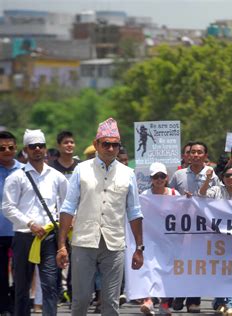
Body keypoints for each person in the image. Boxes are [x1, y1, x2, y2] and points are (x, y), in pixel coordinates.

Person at [56, 118, 144, 316]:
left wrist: (139, 248)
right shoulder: (81, 169)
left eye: (115, 145)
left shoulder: (128, 174)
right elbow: (68, 208)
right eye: (106, 144)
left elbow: (135, 212)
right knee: (81, 299)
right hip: (84, 241)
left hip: (114, 243)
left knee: (111, 302)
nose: (111, 148)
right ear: (96, 144)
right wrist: (62, 245)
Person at [2, 129, 69, 316]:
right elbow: (8, 207)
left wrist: (60, 228)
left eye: (41, 145)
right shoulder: (16, 177)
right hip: (24, 237)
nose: (37, 149)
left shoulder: (56, 177)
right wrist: (30, 223)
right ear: (26, 150)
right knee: (21, 287)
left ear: (46, 149)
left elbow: (67, 205)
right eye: (33, 146)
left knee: (50, 286)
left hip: (48, 238)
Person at [168, 141, 219, 313]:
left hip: (203, 227)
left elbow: (218, 201)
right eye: (193, 152)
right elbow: (168, 198)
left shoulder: (213, 176)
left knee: (197, 264)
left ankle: (193, 300)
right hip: (181, 227)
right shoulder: (179, 175)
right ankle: (179, 295)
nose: (196, 155)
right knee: (181, 262)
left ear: (205, 156)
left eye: (200, 152)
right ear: (188, 155)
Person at [199, 165, 232, 316]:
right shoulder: (216, 191)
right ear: (222, 178)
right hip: (217, 239)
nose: (231, 178)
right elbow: (201, 195)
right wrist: (208, 179)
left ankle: (230, 305)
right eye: (227, 175)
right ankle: (220, 301)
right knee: (220, 271)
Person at [140, 162, 177, 316]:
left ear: (167, 178)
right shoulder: (144, 196)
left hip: (169, 241)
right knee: (148, 269)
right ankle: (147, 301)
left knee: (167, 272)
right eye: (156, 176)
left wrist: (188, 201)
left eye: (162, 176)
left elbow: (184, 213)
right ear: (151, 179)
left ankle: (164, 305)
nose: (159, 179)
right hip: (149, 239)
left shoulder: (175, 194)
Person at [0, 131, 23, 314]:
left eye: (10, 147)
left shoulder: (25, 171)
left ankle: (17, 307)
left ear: (16, 148)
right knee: (0, 274)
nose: (7, 151)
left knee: (20, 273)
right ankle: (4, 307)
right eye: (2, 148)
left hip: (20, 230)